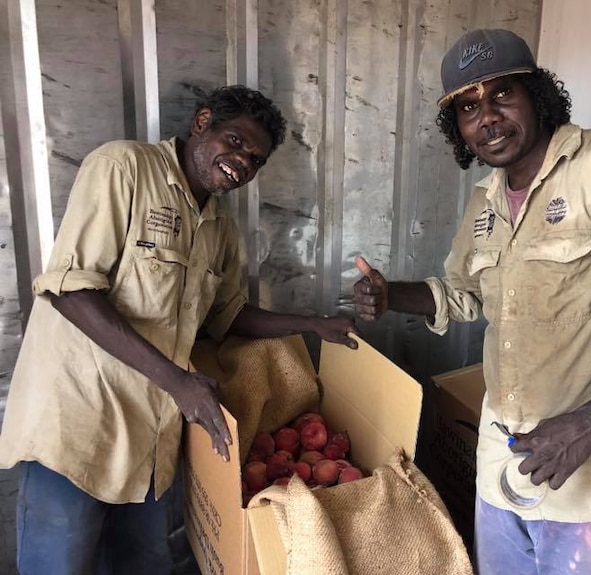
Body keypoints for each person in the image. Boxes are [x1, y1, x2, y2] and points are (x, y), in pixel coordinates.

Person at [353, 29, 591, 574]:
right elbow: (463, 296)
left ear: (538, 95)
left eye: (502, 93)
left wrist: (590, 422)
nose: (486, 116)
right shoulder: (485, 201)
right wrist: (392, 295)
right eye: (468, 106)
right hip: (502, 473)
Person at [0, 85, 360, 575]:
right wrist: (180, 383)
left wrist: (314, 325)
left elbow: (226, 316)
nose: (241, 162)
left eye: (254, 159)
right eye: (234, 141)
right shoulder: (124, 167)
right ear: (201, 122)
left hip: (151, 441)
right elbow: (71, 291)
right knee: (60, 565)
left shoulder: (219, 228)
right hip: (79, 427)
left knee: (144, 564)